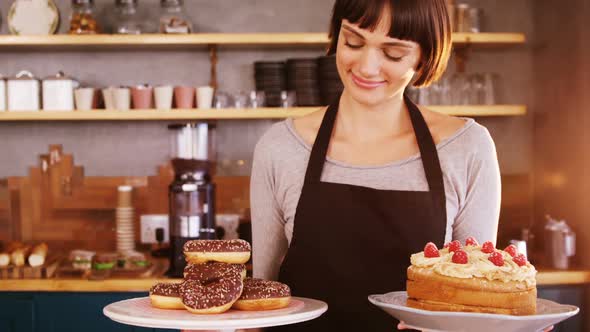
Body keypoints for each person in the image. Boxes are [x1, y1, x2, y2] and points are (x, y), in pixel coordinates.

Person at [250, 0, 501, 330]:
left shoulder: (467, 148)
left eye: (393, 53)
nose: (367, 67)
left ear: (425, 55)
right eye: (353, 41)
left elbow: (475, 299)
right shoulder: (280, 147)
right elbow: (260, 299)